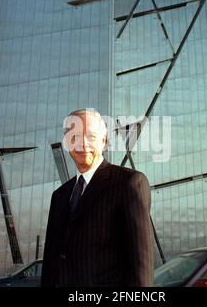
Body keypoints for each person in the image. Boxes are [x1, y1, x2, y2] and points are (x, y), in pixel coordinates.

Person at [41, 108, 154, 287]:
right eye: (74, 137)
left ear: (103, 141)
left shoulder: (129, 183)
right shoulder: (59, 196)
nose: (82, 144)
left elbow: (140, 264)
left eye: (91, 137)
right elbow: (50, 261)